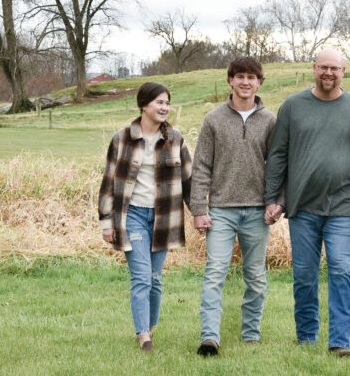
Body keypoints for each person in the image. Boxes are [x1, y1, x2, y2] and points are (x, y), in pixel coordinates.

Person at [263, 48, 350, 357]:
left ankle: (339, 342)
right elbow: (278, 156)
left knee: (341, 269)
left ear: (344, 71)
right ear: (314, 69)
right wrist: (272, 198)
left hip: (343, 207)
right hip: (302, 207)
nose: (328, 73)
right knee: (304, 274)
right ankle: (306, 337)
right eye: (323, 67)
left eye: (334, 68)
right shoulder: (292, 107)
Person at [190, 57, 279, 356]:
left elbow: (278, 166)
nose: (245, 82)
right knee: (215, 273)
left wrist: (276, 202)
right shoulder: (214, 119)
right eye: (239, 76)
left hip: (257, 211)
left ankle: (251, 334)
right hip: (221, 211)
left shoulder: (270, 121)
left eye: (251, 77)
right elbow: (201, 166)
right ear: (230, 80)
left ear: (259, 82)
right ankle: (209, 337)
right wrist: (199, 210)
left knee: (255, 276)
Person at [98, 82, 192, 352]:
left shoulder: (175, 139)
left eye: (167, 103)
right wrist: (107, 222)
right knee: (141, 276)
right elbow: (108, 181)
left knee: (155, 277)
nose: (164, 108)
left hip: (165, 218)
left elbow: (189, 180)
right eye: (159, 102)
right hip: (133, 216)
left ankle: (150, 327)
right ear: (144, 105)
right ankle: (143, 336)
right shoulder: (122, 138)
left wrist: (200, 213)